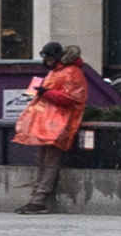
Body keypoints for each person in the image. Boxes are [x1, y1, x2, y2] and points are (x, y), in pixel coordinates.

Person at [10, 41, 96, 214]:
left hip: (58, 124)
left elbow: (71, 99)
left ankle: (39, 200)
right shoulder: (60, 71)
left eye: (49, 58)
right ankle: (37, 198)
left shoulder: (70, 72)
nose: (47, 61)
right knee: (44, 161)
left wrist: (45, 92)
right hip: (49, 124)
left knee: (49, 162)